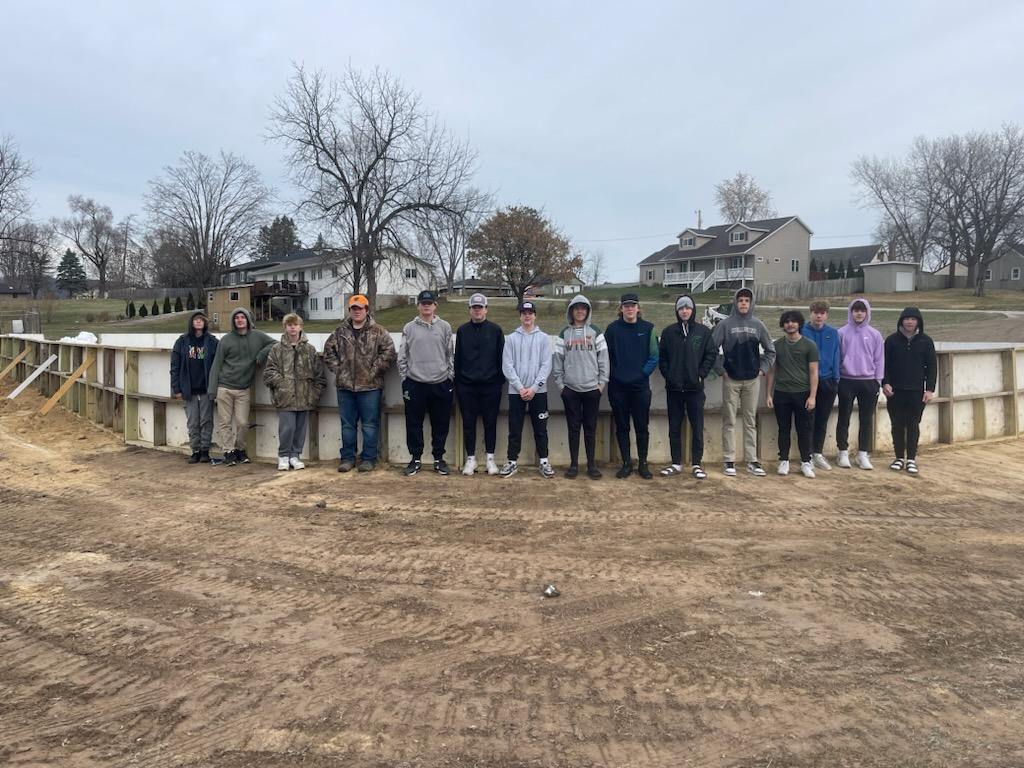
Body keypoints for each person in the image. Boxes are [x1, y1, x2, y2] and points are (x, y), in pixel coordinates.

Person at [322, 294, 397, 473]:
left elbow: (389, 351)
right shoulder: (340, 332)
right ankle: (348, 458)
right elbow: (328, 352)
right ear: (350, 311)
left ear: (366, 310)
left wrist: (374, 370)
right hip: (345, 387)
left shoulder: (378, 331)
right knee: (347, 425)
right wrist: (339, 369)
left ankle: (368, 459)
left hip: (370, 387)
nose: (357, 311)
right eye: (354, 309)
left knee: (370, 425)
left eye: (360, 308)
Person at [711, 287, 776, 477]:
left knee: (750, 421)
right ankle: (728, 460)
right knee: (729, 420)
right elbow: (711, 350)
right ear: (735, 302)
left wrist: (762, 369)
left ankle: (752, 460)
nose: (744, 304)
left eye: (747, 300)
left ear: (751, 303)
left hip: (752, 380)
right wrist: (721, 371)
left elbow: (770, 351)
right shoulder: (725, 325)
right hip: (730, 379)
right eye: (740, 300)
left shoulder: (758, 325)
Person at [657, 294, 716, 479]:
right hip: (674, 389)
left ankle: (697, 464)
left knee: (697, 427)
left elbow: (711, 353)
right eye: (681, 308)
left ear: (692, 310)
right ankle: (676, 463)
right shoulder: (668, 333)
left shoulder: (703, 332)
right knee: (674, 427)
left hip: (695, 389)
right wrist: (669, 375)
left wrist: (701, 374)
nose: (684, 311)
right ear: (677, 311)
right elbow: (663, 358)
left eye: (687, 308)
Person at [208, 307, 276, 466]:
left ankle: (240, 449)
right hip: (224, 386)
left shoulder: (258, 336)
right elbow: (216, 365)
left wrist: (261, 354)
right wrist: (212, 390)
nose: (240, 320)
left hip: (243, 388)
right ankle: (229, 451)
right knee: (224, 422)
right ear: (233, 321)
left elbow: (275, 343)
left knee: (242, 423)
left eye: (242, 317)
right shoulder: (226, 340)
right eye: (236, 317)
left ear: (248, 320)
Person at [398, 290, 454, 476]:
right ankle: (415, 459)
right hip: (415, 384)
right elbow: (402, 356)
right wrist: (405, 379)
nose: (426, 306)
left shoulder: (445, 327)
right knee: (413, 423)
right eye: (423, 303)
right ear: (418, 305)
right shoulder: (409, 327)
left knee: (441, 423)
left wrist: (449, 377)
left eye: (429, 303)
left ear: (435, 305)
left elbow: (450, 355)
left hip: (441, 383)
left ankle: (439, 458)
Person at [553, 294, 608, 479]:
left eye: (583, 308)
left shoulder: (596, 332)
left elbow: (604, 360)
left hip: (592, 389)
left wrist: (601, 384)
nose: (580, 311)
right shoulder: (564, 334)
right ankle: (574, 465)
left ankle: (591, 465)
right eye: (576, 308)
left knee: (591, 428)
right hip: (571, 390)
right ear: (571, 311)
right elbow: (557, 361)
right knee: (573, 428)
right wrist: (561, 386)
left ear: (587, 311)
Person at [604, 293, 659, 479]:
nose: (629, 308)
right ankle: (626, 463)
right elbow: (605, 357)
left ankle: (643, 463)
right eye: (626, 306)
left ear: (638, 308)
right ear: (621, 308)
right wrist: (615, 374)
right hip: (618, 386)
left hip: (640, 387)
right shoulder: (612, 330)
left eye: (632, 305)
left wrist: (641, 374)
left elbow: (654, 356)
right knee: (622, 426)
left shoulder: (648, 328)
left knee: (642, 426)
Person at [263, 313, 327, 470]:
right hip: (285, 398)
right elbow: (269, 373)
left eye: (295, 324)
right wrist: (283, 385)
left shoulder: (310, 350)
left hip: (305, 397)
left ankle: (295, 456)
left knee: (300, 429)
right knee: (287, 428)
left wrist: (314, 394)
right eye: (289, 324)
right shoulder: (276, 350)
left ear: (300, 327)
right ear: (284, 327)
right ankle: (283, 455)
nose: (292, 327)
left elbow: (319, 375)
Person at [500, 300, 554, 478]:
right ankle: (512, 461)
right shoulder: (511, 339)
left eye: (530, 313)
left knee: (541, 428)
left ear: (535, 315)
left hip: (539, 392)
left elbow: (546, 365)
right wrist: (520, 387)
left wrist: (533, 388)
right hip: (516, 393)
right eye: (524, 313)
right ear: (520, 316)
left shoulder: (544, 339)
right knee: (515, 428)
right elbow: (507, 366)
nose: (527, 316)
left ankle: (544, 461)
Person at [454, 293, 505, 476]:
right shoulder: (462, 331)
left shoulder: (496, 330)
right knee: (468, 423)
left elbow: (502, 359)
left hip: (491, 386)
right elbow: (457, 359)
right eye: (474, 307)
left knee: (490, 422)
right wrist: (458, 383)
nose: (478, 310)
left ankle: (490, 459)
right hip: (467, 386)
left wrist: (498, 382)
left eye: (481, 307)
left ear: (486, 309)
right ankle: (471, 459)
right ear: (470, 310)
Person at [882, 307, 936, 475]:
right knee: (897, 425)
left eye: (913, 319)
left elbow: (932, 367)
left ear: (918, 321)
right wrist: (885, 383)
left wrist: (929, 389)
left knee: (913, 425)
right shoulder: (891, 341)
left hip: (916, 391)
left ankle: (911, 459)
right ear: (901, 321)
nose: (909, 322)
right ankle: (899, 457)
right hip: (895, 391)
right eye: (906, 319)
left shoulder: (926, 341)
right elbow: (885, 365)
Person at [766, 310, 819, 478]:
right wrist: (768, 394)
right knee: (784, 428)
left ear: (799, 324)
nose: (790, 324)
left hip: (803, 394)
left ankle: (806, 462)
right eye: (787, 321)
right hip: (782, 393)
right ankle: (784, 460)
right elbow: (772, 372)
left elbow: (813, 372)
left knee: (804, 429)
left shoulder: (809, 345)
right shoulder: (777, 345)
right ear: (783, 325)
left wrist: (812, 396)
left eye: (794, 321)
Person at [836, 298, 884, 470]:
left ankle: (862, 454)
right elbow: (838, 357)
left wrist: (877, 381)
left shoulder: (875, 335)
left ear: (867, 313)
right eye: (855, 310)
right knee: (844, 417)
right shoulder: (841, 333)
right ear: (851, 312)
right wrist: (838, 379)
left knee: (866, 420)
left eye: (862, 310)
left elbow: (879, 359)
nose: (859, 313)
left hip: (868, 382)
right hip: (846, 380)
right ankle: (842, 452)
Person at [170, 309, 219, 464]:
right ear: (191, 322)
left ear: (205, 323)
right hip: (188, 389)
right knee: (192, 421)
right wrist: (176, 388)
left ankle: (205, 450)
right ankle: (195, 450)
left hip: (206, 388)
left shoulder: (212, 342)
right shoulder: (182, 341)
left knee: (206, 420)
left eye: (201, 320)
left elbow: (219, 364)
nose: (198, 322)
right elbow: (175, 365)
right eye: (195, 320)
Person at [801, 300, 841, 470]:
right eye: (816, 312)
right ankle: (807, 454)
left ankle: (818, 452)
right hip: (807, 382)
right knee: (808, 419)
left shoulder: (832, 333)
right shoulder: (802, 331)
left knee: (823, 419)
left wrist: (836, 378)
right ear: (810, 313)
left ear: (826, 315)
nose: (819, 316)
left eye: (822, 313)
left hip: (828, 381)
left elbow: (837, 355)